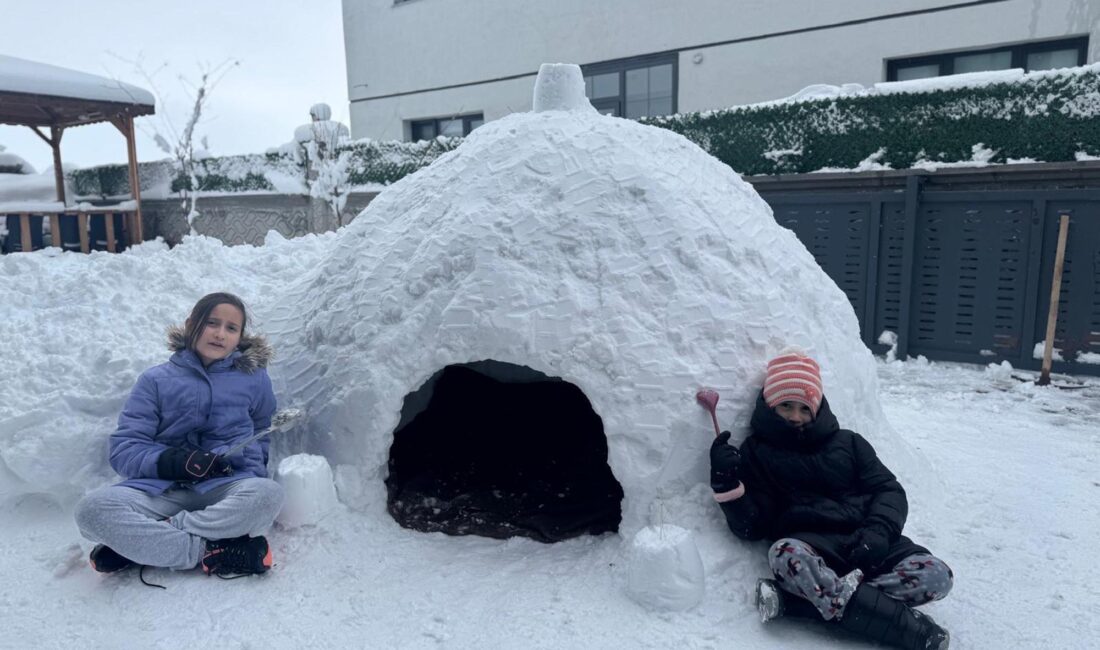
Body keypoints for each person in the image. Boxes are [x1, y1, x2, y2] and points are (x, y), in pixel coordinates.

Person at [709, 347, 953, 649]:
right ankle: (912, 632)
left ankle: (800, 604)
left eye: (804, 407)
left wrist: (878, 531)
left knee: (937, 576)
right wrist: (726, 483)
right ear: (770, 406)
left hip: (869, 542)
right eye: (786, 405)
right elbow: (753, 526)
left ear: (817, 407)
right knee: (784, 554)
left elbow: (888, 490)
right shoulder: (757, 452)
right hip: (812, 549)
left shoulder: (850, 443)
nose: (796, 416)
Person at [74, 292, 284, 581]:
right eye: (212, 323)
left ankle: (144, 542)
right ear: (191, 324)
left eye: (231, 328)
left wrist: (248, 468)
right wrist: (173, 462)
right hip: (161, 489)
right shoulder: (155, 380)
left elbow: (262, 431)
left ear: (239, 337)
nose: (220, 334)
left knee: (268, 495)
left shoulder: (255, 379)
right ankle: (213, 551)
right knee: (91, 511)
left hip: (225, 487)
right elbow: (125, 448)